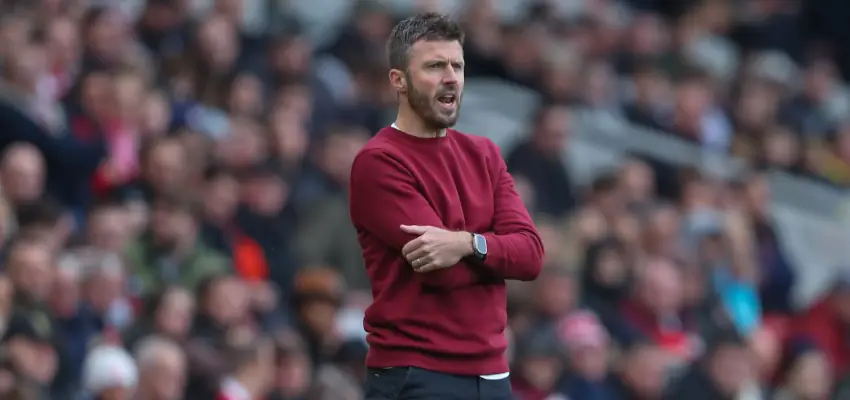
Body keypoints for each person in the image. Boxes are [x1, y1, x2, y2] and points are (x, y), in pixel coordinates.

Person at [348, 12, 544, 400]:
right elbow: (443, 274)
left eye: (458, 66)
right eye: (435, 66)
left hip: (493, 374)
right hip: (418, 373)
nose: (451, 77)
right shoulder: (379, 162)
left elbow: (531, 256)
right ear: (398, 80)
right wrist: (497, 253)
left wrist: (467, 244)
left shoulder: (484, 154)